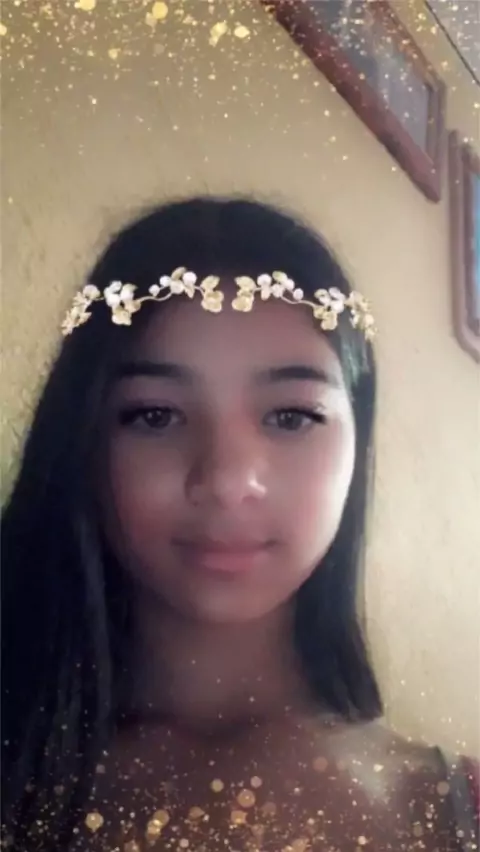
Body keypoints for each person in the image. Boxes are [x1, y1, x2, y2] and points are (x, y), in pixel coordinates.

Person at [1, 197, 478, 851]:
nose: (227, 479)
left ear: (357, 441)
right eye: (155, 415)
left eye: (290, 416)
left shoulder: (455, 811)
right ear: (81, 436)